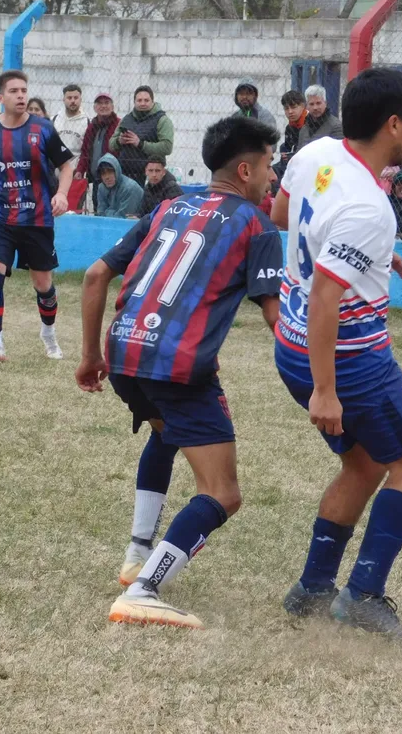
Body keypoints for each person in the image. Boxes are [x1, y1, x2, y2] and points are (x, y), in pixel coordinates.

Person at [75, 116, 283, 628]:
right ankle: (147, 588)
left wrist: (90, 356)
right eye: (268, 166)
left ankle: (137, 553)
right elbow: (276, 316)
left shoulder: (168, 206)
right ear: (244, 168)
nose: (272, 177)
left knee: (168, 436)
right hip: (180, 366)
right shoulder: (257, 224)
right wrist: (326, 367)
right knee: (222, 493)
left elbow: (96, 273)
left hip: (124, 353)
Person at [270, 67, 402, 647]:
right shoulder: (370, 207)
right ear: (393, 124)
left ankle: (313, 589)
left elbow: (281, 217)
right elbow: (325, 292)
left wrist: (366, 258)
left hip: (291, 344)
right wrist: (326, 389)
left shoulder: (316, 150)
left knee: (364, 464)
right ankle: (362, 596)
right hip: (345, 360)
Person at [0, 69, 74, 363]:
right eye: (14, 91)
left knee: (43, 286)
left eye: (24, 91)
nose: (20, 96)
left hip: (38, 217)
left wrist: (62, 194)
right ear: (1, 98)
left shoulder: (42, 129)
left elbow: (67, 165)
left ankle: (49, 334)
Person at [109, 86, 174, 187]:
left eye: (146, 100)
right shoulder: (126, 119)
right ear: (134, 102)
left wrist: (140, 144)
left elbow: (167, 147)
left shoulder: (163, 120)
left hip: (150, 177)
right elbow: (111, 144)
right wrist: (119, 141)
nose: (143, 103)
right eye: (139, 100)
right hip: (124, 175)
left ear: (152, 101)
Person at [76, 92, 120, 213]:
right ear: (95, 108)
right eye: (100, 103)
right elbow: (85, 151)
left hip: (114, 179)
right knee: (98, 210)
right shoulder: (92, 127)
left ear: (112, 106)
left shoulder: (119, 125)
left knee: (112, 211)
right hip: (97, 179)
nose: (103, 106)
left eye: (107, 103)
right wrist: (80, 170)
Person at [52, 84, 90, 172]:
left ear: (80, 99)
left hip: (76, 171)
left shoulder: (87, 122)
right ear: (63, 100)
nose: (73, 101)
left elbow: (87, 151)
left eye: (76, 98)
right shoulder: (54, 120)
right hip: (56, 169)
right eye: (69, 98)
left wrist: (80, 170)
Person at [95, 154, 144, 218]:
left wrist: (107, 212)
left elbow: (123, 218)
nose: (107, 177)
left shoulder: (130, 188)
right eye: (103, 173)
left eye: (110, 172)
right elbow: (100, 214)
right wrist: (112, 213)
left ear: (117, 171)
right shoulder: (102, 187)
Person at [275, 90, 307, 181]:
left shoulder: (311, 125)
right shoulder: (290, 127)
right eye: (286, 108)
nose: (290, 111)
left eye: (293, 107)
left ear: (303, 106)